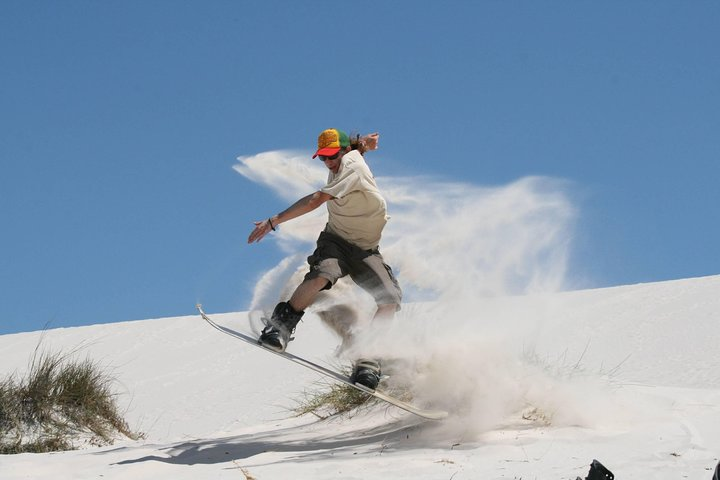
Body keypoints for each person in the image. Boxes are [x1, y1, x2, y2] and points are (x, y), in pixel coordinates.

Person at [247, 128, 402, 390]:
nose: (329, 162)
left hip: (366, 249)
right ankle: (279, 326)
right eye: (323, 158)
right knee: (322, 275)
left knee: (390, 299)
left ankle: (368, 359)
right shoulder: (348, 157)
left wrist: (273, 221)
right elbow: (320, 195)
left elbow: (318, 198)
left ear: (344, 151)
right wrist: (367, 144)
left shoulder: (353, 166)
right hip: (336, 241)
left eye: (333, 156)